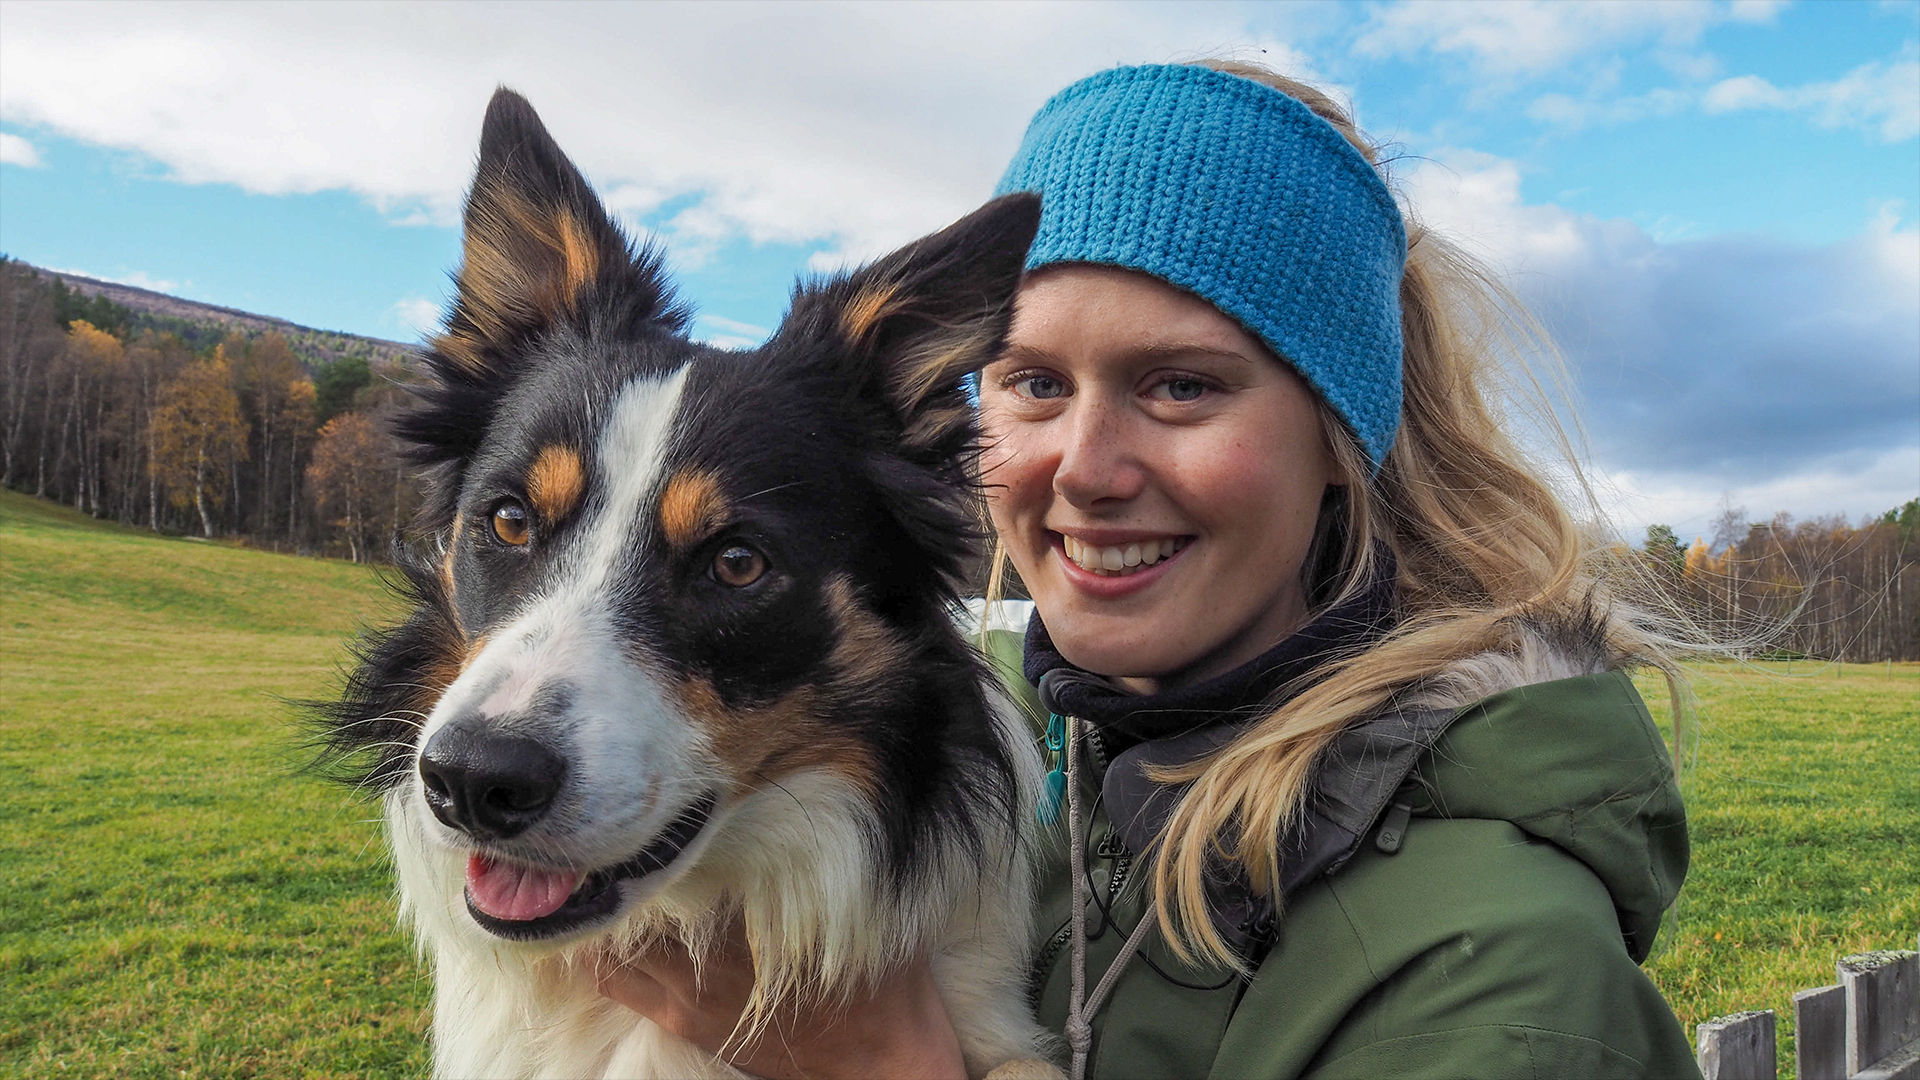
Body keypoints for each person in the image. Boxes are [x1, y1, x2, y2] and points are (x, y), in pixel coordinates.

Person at [601, 59, 1702, 1080]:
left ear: (1339, 439)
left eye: (1181, 386)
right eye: (1034, 383)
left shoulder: (1503, 981)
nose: (1084, 470)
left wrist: (883, 1060)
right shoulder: (1017, 801)